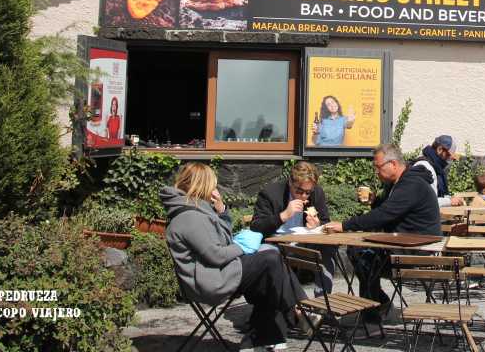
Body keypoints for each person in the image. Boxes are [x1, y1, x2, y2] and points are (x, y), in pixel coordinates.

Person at [162, 162, 302, 352]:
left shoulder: (197, 210)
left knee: (269, 264)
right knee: (270, 261)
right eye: (212, 184)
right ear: (202, 185)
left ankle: (263, 336)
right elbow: (217, 255)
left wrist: (222, 211)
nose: (215, 189)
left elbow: (222, 239)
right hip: (210, 281)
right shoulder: (190, 217)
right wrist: (242, 247)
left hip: (217, 273)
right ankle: (294, 314)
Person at [322, 144, 441, 316]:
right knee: (359, 251)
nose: (376, 172)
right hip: (401, 246)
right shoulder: (396, 183)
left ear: (393, 164)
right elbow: (388, 210)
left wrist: (344, 226)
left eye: (378, 167)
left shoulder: (411, 184)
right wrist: (374, 202)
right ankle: (380, 304)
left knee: (364, 256)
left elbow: (384, 215)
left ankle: (372, 317)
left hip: (417, 252)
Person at [251, 161, 333, 294]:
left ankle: (323, 304)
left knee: (327, 251)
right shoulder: (270, 193)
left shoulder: (316, 193)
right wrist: (283, 216)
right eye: (299, 191)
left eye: (308, 192)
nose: (304, 196)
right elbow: (256, 226)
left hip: (304, 243)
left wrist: (318, 225)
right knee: (270, 255)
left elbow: (325, 221)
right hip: (276, 243)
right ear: (290, 182)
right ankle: (295, 304)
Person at [411, 135, 465, 207]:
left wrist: (451, 199)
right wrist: (449, 201)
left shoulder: (436, 168)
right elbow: (427, 201)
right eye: (448, 155)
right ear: (439, 149)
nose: (449, 159)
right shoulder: (424, 167)